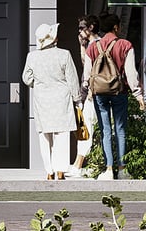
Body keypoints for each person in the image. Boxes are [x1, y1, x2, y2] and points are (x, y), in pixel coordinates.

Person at [82, 12, 146, 181]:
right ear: (116, 27)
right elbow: (131, 74)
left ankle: (109, 169)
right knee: (120, 129)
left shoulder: (92, 48)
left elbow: (86, 75)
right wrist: (138, 95)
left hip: (99, 94)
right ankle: (123, 169)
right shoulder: (125, 45)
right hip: (120, 92)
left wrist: (86, 92)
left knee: (105, 130)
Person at [22, 23, 81, 180]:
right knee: (61, 135)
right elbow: (73, 80)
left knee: (44, 136)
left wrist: (39, 83)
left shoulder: (32, 56)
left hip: (42, 99)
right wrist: (77, 100)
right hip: (62, 99)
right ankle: (60, 170)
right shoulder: (64, 54)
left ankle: (49, 170)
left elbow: (26, 79)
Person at [66, 14, 101, 177]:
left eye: (82, 27)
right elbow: (85, 65)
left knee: (85, 128)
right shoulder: (92, 44)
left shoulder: (97, 45)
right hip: (89, 93)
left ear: (91, 27)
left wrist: (90, 93)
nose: (79, 30)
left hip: (91, 94)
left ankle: (78, 165)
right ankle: (85, 164)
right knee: (87, 128)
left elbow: (92, 70)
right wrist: (81, 45)